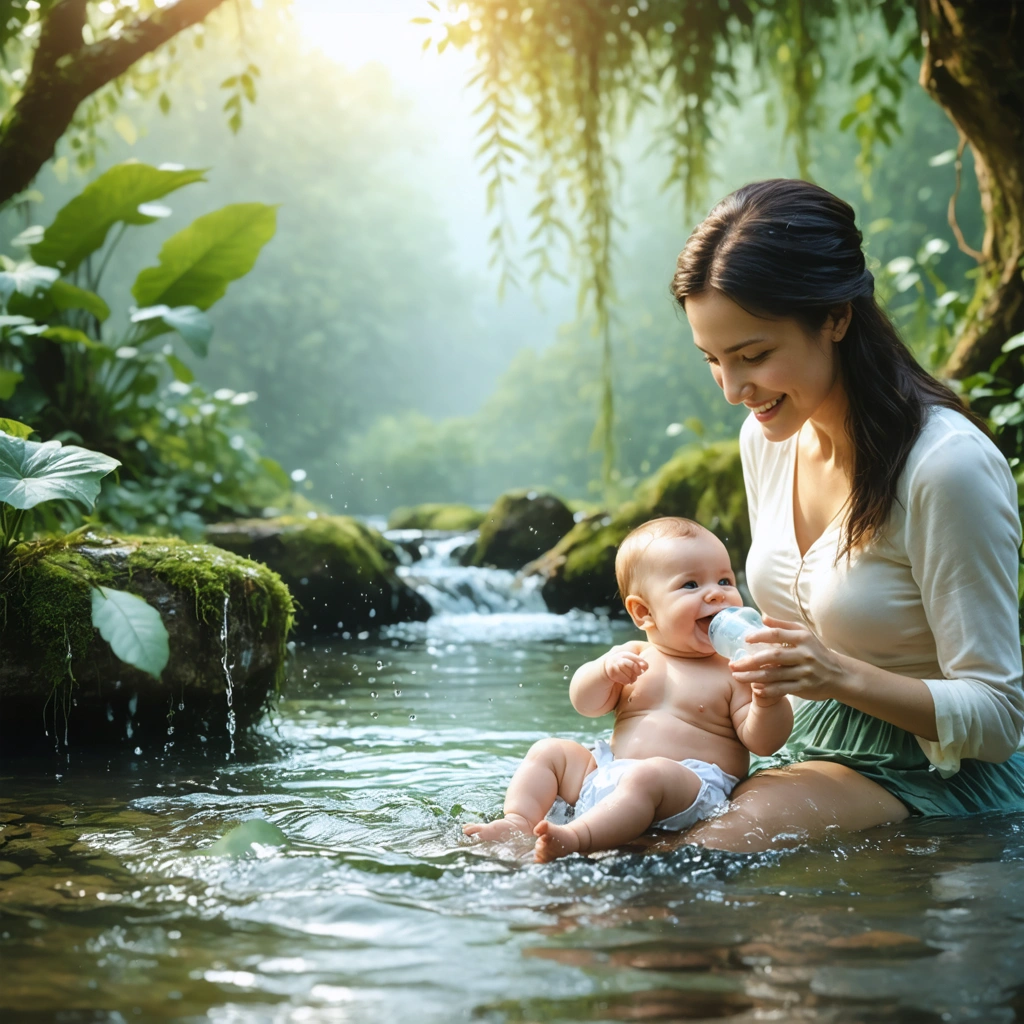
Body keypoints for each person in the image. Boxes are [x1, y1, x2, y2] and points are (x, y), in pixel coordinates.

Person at [669, 178, 1024, 852]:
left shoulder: (945, 468)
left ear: (835, 317)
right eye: (712, 360)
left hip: (935, 769)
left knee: (698, 852)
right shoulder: (767, 439)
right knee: (609, 807)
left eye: (753, 356)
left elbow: (1000, 716)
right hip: (801, 739)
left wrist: (837, 675)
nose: (734, 391)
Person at [463, 517, 793, 862]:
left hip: (686, 789)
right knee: (549, 752)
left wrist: (767, 699)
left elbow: (765, 743)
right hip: (609, 775)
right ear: (643, 612)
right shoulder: (634, 656)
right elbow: (585, 704)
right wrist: (603, 673)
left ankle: (576, 836)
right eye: (691, 584)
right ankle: (518, 821)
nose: (716, 592)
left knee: (650, 774)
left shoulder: (734, 670)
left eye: (725, 579)